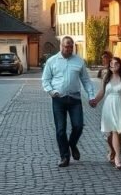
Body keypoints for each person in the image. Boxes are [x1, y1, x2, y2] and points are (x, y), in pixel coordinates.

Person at [41, 36, 96, 168]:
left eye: (71, 47)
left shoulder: (79, 61)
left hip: (75, 99)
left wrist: (91, 96)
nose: (69, 49)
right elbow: (45, 80)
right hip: (58, 99)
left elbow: (86, 80)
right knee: (60, 130)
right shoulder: (52, 61)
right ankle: (64, 156)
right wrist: (51, 91)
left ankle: (72, 144)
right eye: (66, 46)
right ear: (61, 46)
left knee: (78, 126)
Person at [91, 56, 121, 170]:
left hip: (120, 106)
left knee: (118, 132)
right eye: (111, 64)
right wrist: (95, 101)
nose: (112, 66)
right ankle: (114, 152)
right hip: (108, 107)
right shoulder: (106, 77)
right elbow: (102, 92)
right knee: (110, 133)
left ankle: (118, 157)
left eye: (115, 64)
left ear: (119, 65)